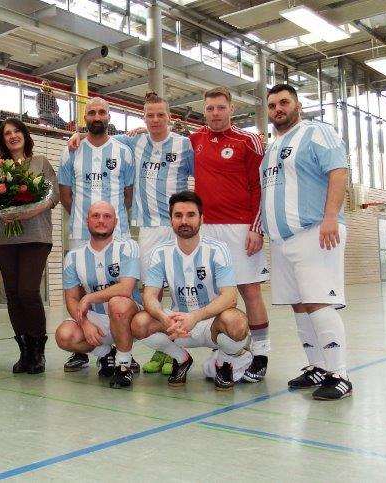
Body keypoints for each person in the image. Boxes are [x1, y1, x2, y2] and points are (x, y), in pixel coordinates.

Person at [66, 92, 194, 376]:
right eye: (150, 115)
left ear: (169, 117)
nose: (155, 120)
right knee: (153, 290)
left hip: (179, 226)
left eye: (160, 115)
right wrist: (77, 134)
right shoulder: (133, 142)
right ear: (143, 118)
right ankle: (163, 348)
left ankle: (177, 347)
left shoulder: (185, 144)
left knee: (180, 287)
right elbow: (99, 137)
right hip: (148, 228)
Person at [261, 84, 352, 400]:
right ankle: (318, 366)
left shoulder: (316, 132)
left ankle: (340, 374)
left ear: (297, 105)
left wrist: (331, 217)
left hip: (315, 232)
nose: (278, 109)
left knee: (318, 301)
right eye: (272, 105)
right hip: (282, 241)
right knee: (300, 304)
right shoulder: (272, 147)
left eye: (284, 102)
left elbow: (338, 171)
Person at [132, 190, 252, 391]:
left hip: (212, 322)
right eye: (178, 215)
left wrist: (195, 317)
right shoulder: (159, 253)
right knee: (139, 323)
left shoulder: (218, 249)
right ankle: (181, 359)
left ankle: (224, 363)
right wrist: (163, 318)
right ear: (171, 220)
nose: (184, 221)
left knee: (237, 322)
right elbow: (149, 296)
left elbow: (230, 297)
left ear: (201, 219)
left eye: (190, 215)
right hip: (178, 324)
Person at [191, 86, 270, 383]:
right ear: (204, 111)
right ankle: (228, 354)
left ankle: (261, 354)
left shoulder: (248, 140)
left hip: (241, 229)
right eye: (210, 108)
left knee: (250, 291)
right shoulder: (194, 140)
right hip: (207, 230)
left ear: (231, 109)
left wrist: (256, 228)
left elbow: (259, 187)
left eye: (221, 107)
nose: (215, 113)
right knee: (217, 295)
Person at [57, 96, 134, 372]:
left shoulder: (123, 151)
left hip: (117, 233)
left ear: (109, 117)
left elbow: (128, 195)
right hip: (81, 231)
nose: (97, 117)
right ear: (85, 118)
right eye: (92, 113)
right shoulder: (71, 151)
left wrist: (108, 221)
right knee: (80, 288)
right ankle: (85, 347)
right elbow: (65, 194)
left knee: (120, 293)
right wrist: (86, 219)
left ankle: (121, 348)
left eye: (102, 112)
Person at [0, 118, 59, 374]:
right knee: (12, 294)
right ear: (2, 140)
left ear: (25, 135)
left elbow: (53, 196)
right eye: (7, 133)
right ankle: (25, 352)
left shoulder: (40, 162)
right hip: (3, 238)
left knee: (28, 292)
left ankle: (38, 351)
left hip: (35, 236)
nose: (12, 136)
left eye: (17, 131)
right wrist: (2, 211)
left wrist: (26, 213)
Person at [54, 201, 141, 389]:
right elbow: (71, 299)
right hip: (97, 318)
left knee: (117, 303)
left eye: (107, 216)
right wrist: (85, 323)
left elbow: (125, 289)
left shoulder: (128, 247)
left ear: (115, 222)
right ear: (87, 221)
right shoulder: (73, 256)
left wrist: (89, 297)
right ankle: (105, 353)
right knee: (64, 335)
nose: (101, 220)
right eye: (95, 216)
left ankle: (124, 365)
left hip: (129, 317)